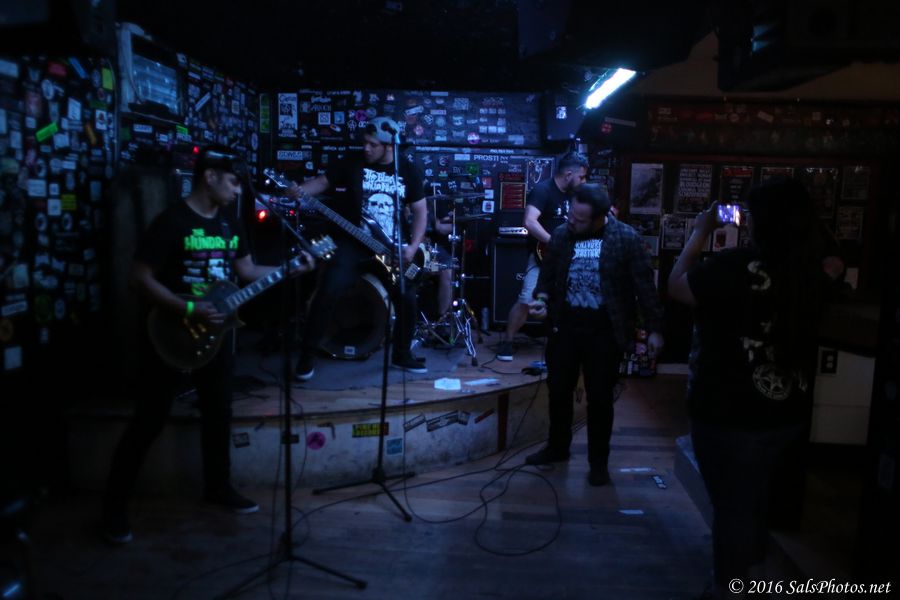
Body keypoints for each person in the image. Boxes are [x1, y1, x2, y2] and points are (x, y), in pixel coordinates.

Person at [102, 145, 315, 544]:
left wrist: (290, 269)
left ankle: (217, 487)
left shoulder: (229, 223)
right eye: (233, 182)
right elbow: (139, 278)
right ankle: (113, 508)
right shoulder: (172, 221)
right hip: (170, 332)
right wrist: (187, 308)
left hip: (215, 337)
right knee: (149, 419)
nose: (238, 190)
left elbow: (246, 270)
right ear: (210, 176)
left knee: (218, 412)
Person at [666, 179, 844, 598]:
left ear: (758, 221)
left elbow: (677, 286)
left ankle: (731, 586)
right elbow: (834, 263)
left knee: (731, 507)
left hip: (727, 411)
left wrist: (700, 232)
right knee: (758, 497)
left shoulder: (732, 266)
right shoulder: (817, 271)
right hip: (787, 411)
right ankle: (753, 570)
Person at [526, 183, 665, 485]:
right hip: (565, 327)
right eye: (571, 214)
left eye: (579, 219)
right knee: (558, 391)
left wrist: (655, 329)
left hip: (604, 332)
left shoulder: (625, 238)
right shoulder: (562, 235)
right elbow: (547, 278)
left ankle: (598, 462)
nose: (571, 222)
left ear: (601, 217)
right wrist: (541, 301)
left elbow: (644, 287)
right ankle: (557, 447)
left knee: (600, 399)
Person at [288, 116, 428, 380]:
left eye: (373, 145)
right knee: (328, 289)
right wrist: (298, 190)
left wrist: (413, 246)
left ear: (389, 146)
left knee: (407, 297)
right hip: (351, 243)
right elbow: (322, 182)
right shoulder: (352, 162)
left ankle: (401, 354)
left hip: (389, 249)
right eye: (365, 142)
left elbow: (421, 211)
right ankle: (307, 356)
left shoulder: (407, 170)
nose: (366, 148)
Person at [495, 152, 588, 361]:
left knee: (571, 300)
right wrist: (553, 242)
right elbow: (529, 221)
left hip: (569, 258)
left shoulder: (574, 194)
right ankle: (507, 341)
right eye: (581, 177)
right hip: (542, 258)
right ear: (569, 174)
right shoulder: (543, 190)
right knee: (527, 299)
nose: (584, 181)